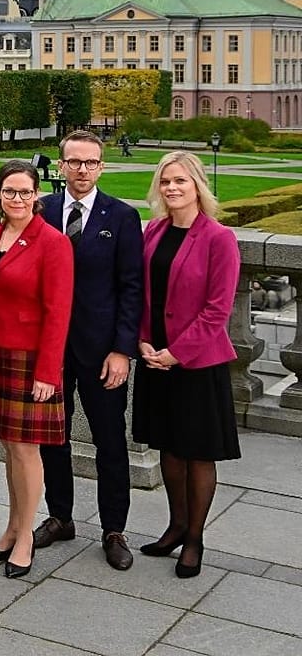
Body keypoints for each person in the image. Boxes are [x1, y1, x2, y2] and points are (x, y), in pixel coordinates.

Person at [34, 131, 144, 571]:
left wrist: (122, 350)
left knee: (110, 441)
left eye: (91, 162)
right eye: (74, 162)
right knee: (52, 438)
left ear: (101, 166)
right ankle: (60, 516)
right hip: (50, 349)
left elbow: (132, 288)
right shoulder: (40, 210)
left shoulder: (122, 216)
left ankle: (114, 529)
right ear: (61, 165)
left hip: (101, 351)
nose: (82, 169)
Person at [133, 151, 241, 579]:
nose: (172, 188)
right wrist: (143, 339)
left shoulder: (218, 238)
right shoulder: (155, 230)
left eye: (180, 180)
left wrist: (176, 352)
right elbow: (144, 294)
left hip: (196, 362)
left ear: (197, 185)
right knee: (168, 445)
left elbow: (218, 311)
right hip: (154, 356)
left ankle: (194, 538)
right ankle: (175, 526)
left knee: (197, 452)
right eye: (165, 181)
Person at [0, 160, 74, 580]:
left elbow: (58, 312)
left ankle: (26, 536)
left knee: (26, 449)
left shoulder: (53, 242)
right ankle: (12, 528)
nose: (17, 199)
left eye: (25, 192)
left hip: (29, 359)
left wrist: (48, 372)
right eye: (9, 191)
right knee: (9, 447)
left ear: (36, 195)